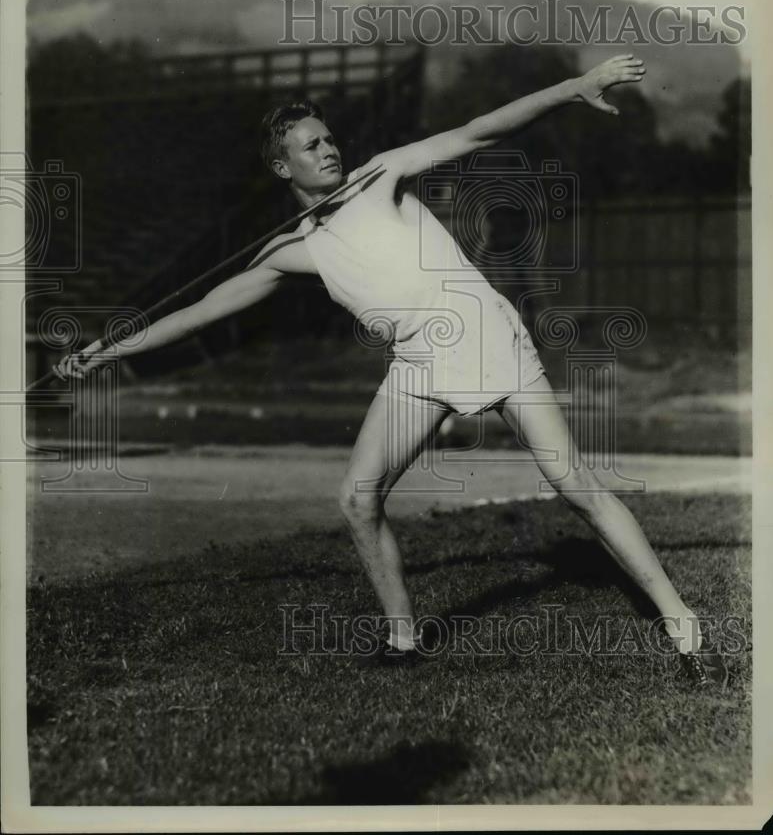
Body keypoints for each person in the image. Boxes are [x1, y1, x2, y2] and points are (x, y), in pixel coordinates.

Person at [55, 54, 726, 686]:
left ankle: (681, 623)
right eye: (310, 146)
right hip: (419, 361)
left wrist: (574, 87)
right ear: (282, 168)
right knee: (356, 496)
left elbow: (477, 130)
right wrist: (104, 352)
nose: (328, 149)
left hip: (485, 333)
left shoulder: (382, 175)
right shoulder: (292, 251)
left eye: (327, 138)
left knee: (573, 481)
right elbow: (202, 310)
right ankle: (403, 637)